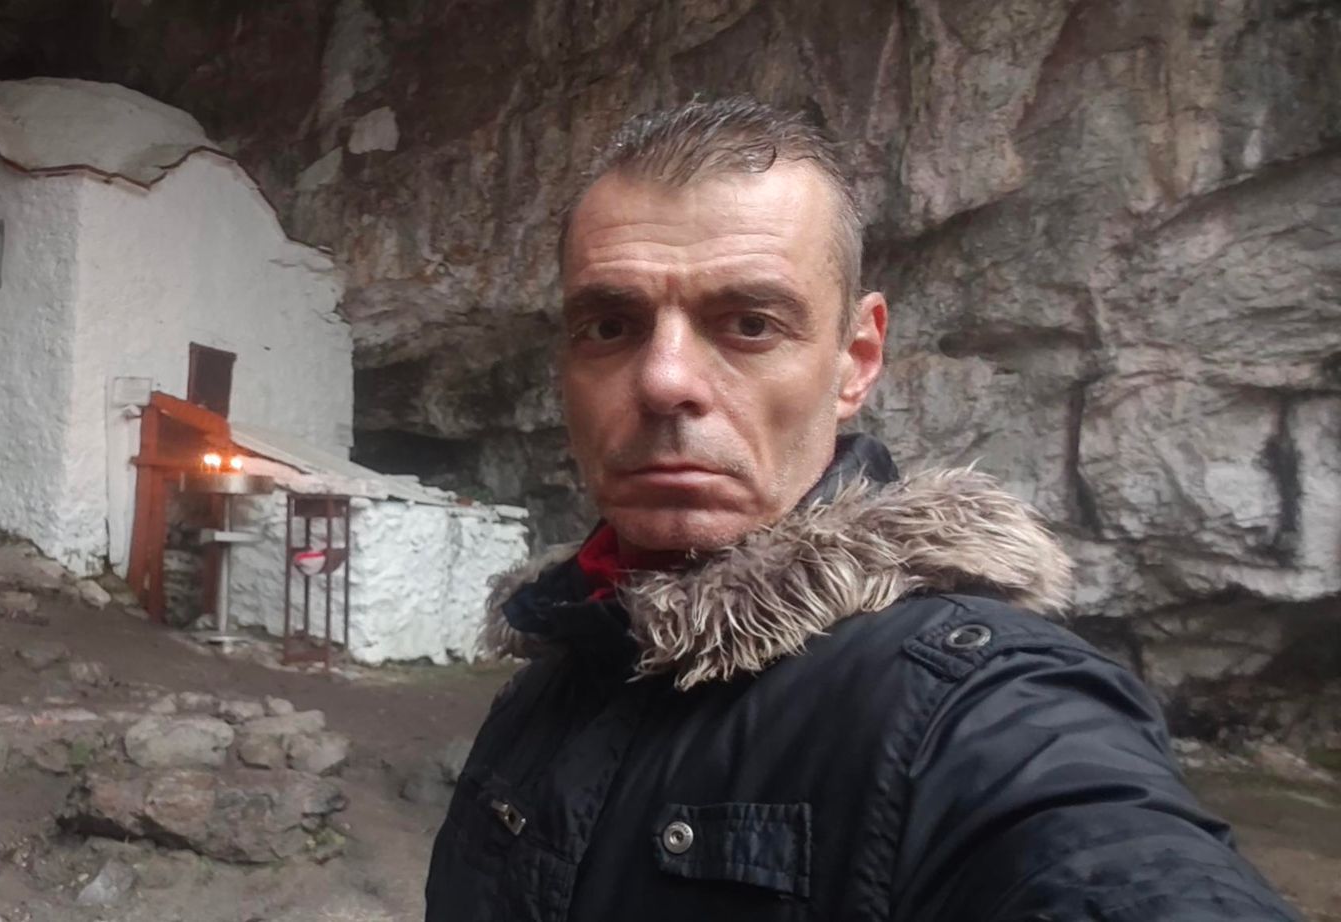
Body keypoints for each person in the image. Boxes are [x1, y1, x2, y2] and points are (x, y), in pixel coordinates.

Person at [423, 98, 1300, 922]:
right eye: (611, 326)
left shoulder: (971, 701)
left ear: (856, 360)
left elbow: (1107, 853)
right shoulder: (553, 672)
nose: (663, 381)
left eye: (750, 323)